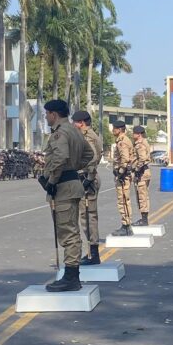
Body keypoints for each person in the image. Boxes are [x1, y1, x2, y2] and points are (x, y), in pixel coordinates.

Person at [40, 99, 95, 293]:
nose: (46, 117)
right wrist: (75, 168)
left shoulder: (60, 133)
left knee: (68, 232)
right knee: (71, 229)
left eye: (47, 114)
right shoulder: (75, 131)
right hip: (72, 183)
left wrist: (52, 180)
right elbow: (89, 154)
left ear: (54, 114)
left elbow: (61, 157)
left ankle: (71, 277)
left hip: (63, 186)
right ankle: (72, 274)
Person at [72, 110, 104, 265]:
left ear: (82, 123)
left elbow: (93, 157)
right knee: (87, 216)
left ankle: (93, 253)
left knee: (88, 217)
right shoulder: (88, 135)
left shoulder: (88, 136)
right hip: (86, 177)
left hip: (87, 179)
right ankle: (92, 252)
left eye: (75, 122)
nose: (73, 125)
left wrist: (88, 178)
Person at [109, 120, 136, 236]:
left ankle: (126, 226)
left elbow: (125, 159)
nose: (112, 130)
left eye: (114, 128)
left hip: (123, 175)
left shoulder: (122, 142)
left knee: (123, 200)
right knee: (124, 199)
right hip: (124, 174)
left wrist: (120, 173)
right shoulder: (123, 140)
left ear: (119, 129)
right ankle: (126, 224)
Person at [131, 125, 153, 222]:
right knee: (144, 195)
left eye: (134, 133)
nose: (133, 135)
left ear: (139, 134)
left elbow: (142, 158)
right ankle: (144, 217)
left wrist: (137, 169)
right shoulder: (144, 142)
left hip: (142, 172)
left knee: (142, 195)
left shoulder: (140, 144)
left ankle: (144, 219)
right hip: (145, 171)